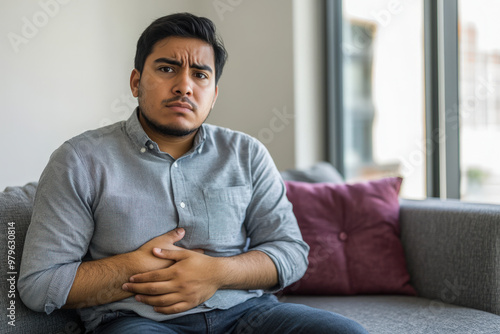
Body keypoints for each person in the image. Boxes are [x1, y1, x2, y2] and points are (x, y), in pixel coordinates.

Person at [18, 12, 369, 334]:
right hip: (136, 321)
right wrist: (134, 266)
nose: (184, 86)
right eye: (167, 69)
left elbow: (291, 252)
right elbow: (39, 285)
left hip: (246, 313)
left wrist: (215, 273)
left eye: (200, 75)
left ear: (213, 95)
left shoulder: (246, 153)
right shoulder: (78, 160)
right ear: (136, 82)